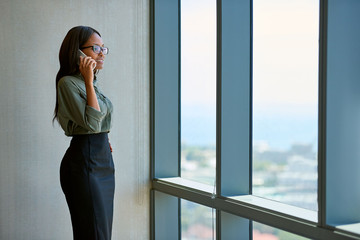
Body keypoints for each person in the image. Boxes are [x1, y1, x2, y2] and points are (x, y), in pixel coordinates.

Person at [53, 26, 114, 240]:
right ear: (77, 52)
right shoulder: (68, 83)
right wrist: (88, 80)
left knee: (101, 231)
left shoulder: (93, 84)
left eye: (103, 48)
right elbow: (91, 123)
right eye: (95, 48)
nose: (101, 53)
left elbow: (100, 124)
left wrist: (104, 142)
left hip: (102, 160)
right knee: (92, 233)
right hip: (84, 163)